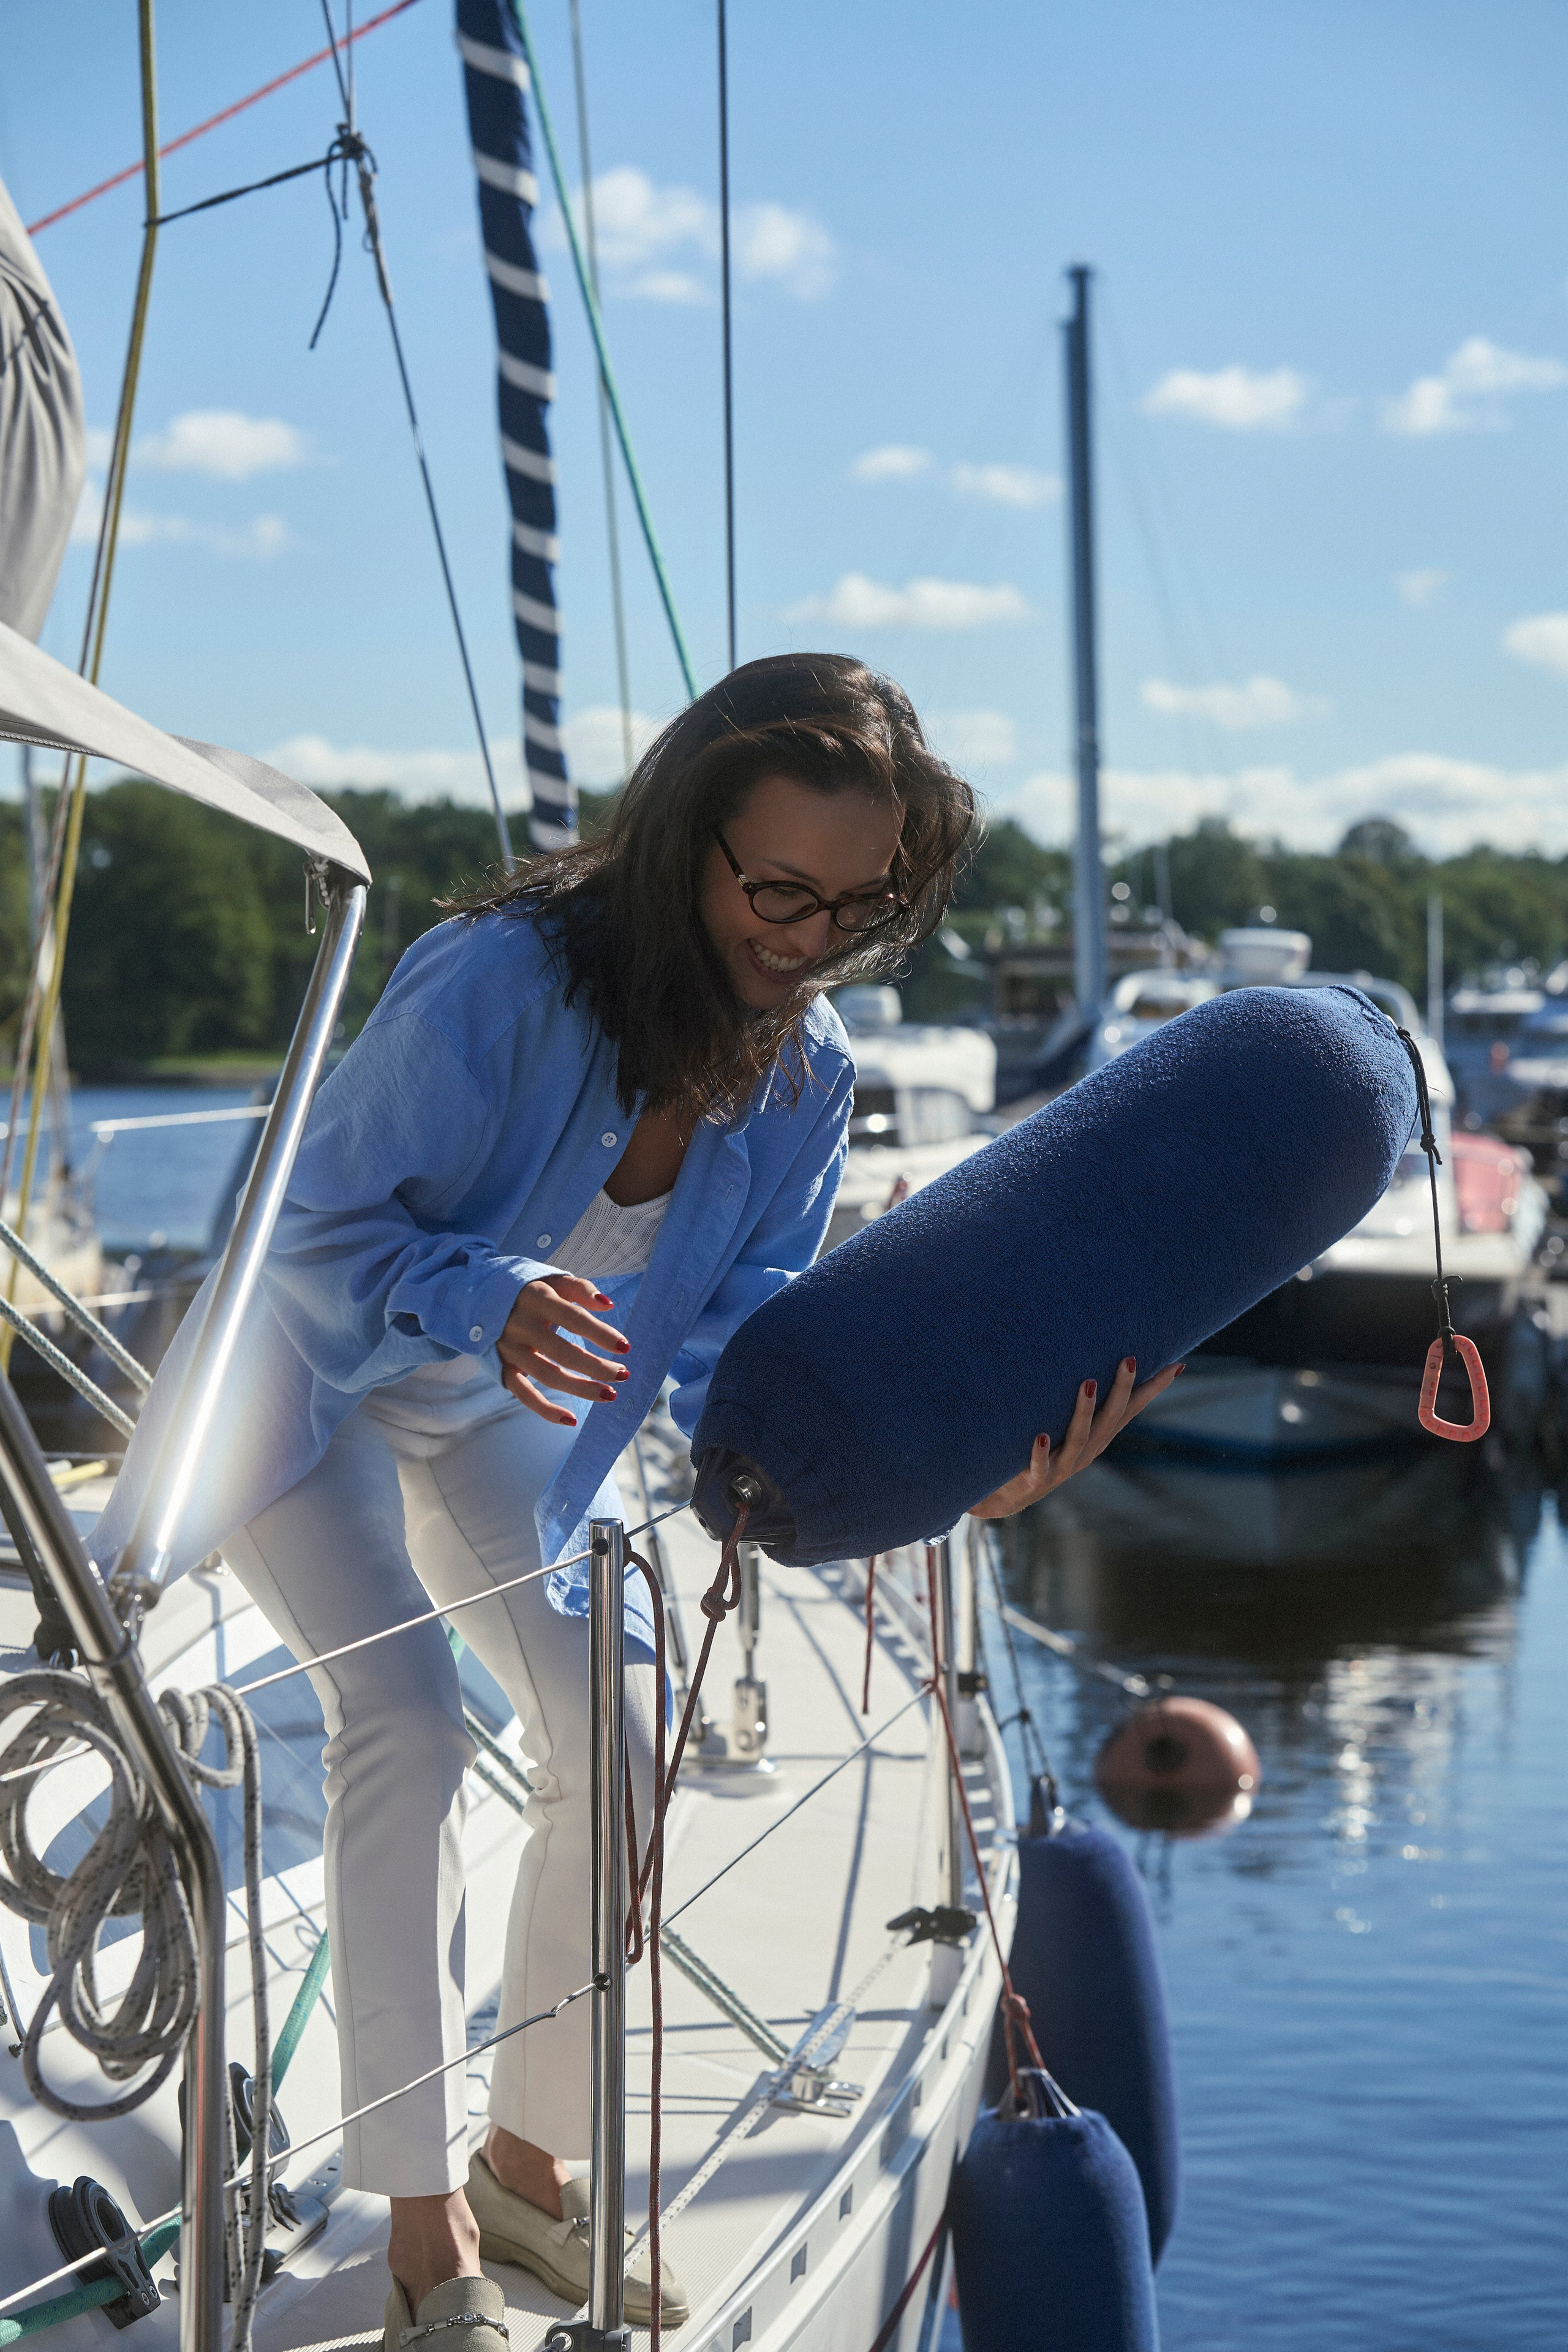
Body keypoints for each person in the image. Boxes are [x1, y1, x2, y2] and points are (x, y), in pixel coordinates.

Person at [96, 654, 1177, 2343]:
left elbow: (748, 1349)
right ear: (687, 842)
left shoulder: (806, 1078)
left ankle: (529, 2166)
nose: (810, 941)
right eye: (780, 892)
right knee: (408, 1718)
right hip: (298, 1391)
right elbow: (297, 1231)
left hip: (501, 1418)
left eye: (859, 908)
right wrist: (482, 1296)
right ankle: (424, 2230)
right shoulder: (499, 982)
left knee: (617, 1719)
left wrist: (950, 1469)